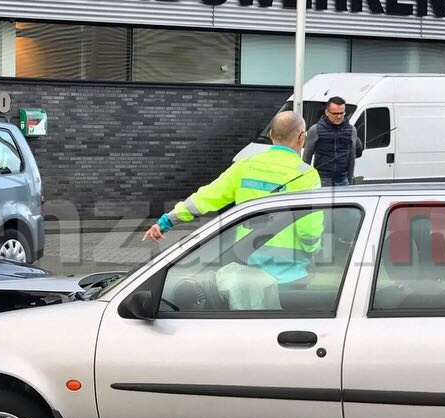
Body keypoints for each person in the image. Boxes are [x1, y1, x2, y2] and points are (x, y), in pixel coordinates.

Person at [142, 112, 324, 305]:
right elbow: (309, 229)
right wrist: (313, 253)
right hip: (289, 275)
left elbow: (206, 197)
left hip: (248, 271)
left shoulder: (245, 166)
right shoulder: (307, 176)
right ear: (302, 137)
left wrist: (166, 221)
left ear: (271, 134)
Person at [302, 96, 363, 186]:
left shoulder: (351, 130)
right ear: (327, 112)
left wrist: (349, 181)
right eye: (335, 113)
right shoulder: (315, 130)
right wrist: (306, 180)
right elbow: (306, 158)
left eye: (341, 113)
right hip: (321, 179)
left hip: (342, 180)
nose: (338, 116)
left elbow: (351, 158)